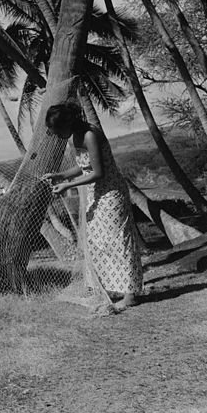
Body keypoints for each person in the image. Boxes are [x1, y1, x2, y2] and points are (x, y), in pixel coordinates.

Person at [42, 103, 143, 309]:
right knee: (97, 240)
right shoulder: (74, 138)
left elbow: (98, 172)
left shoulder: (90, 135)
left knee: (118, 240)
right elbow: (83, 166)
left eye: (58, 130)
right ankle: (107, 286)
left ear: (68, 123)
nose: (57, 135)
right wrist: (61, 175)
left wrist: (68, 185)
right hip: (95, 193)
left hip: (111, 193)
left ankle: (130, 294)